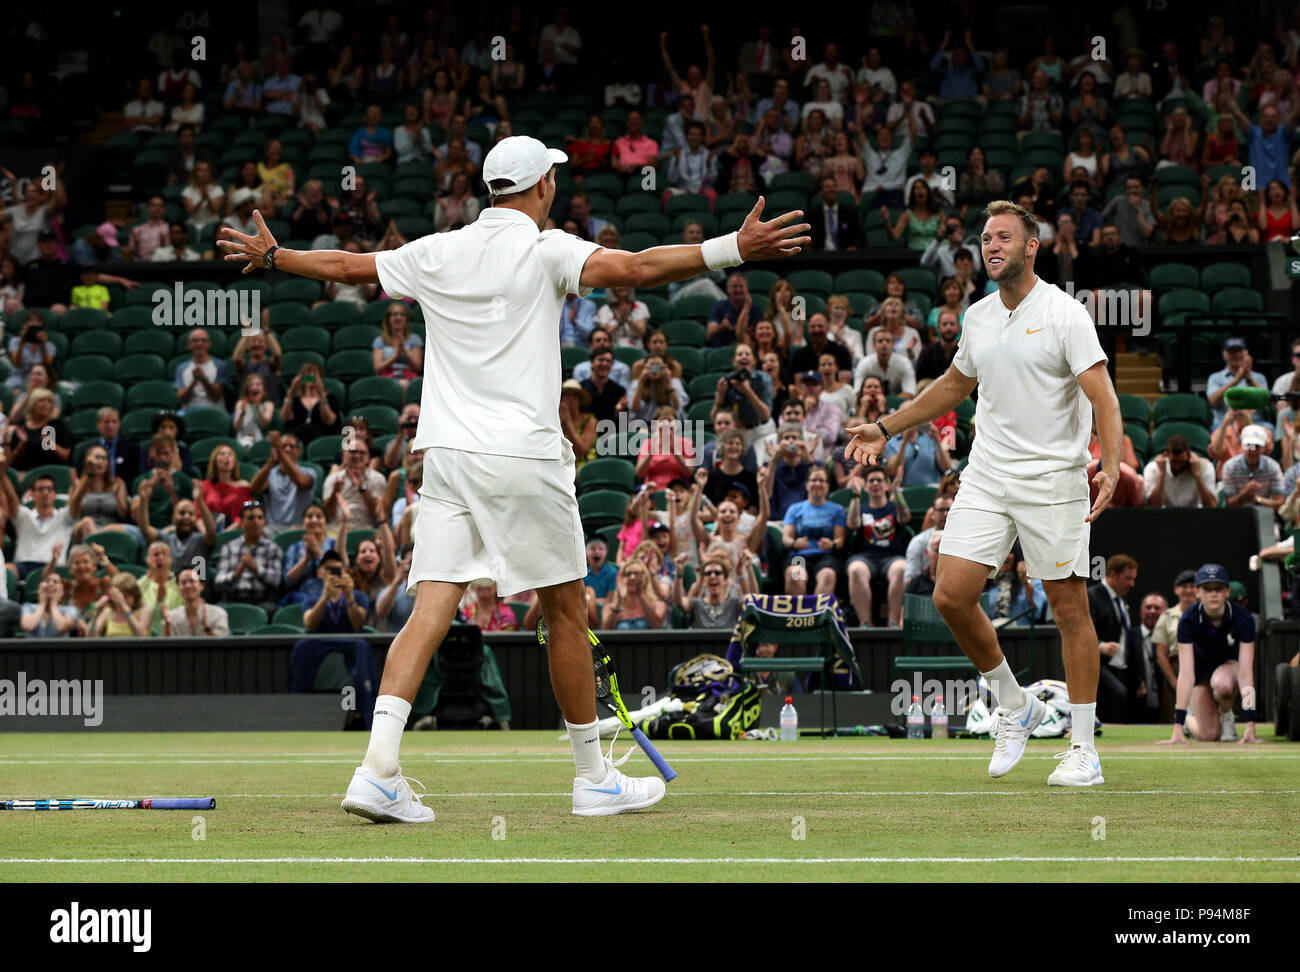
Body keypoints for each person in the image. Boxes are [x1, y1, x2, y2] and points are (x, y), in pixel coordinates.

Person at [217, 133, 808, 821]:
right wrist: (734, 247)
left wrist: (276, 256)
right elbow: (640, 268)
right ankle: (592, 778)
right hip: (523, 456)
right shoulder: (548, 247)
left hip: (446, 459)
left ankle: (377, 768)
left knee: (432, 606)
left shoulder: (438, 249)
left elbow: (348, 264)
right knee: (563, 611)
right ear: (543, 186)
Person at [845, 198, 1121, 788]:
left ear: (1030, 247)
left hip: (1054, 479)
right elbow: (953, 384)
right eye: (985, 238)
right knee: (950, 594)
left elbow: (1104, 398)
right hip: (988, 475)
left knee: (1070, 608)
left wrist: (1112, 466)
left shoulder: (1066, 313)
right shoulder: (976, 316)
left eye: (1002, 237)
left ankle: (1082, 749)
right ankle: (1016, 706)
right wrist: (887, 426)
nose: (990, 245)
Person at [1161, 564, 1259, 745]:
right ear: (1198, 592)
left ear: (1227, 591)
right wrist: (1177, 723)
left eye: (1218, 589)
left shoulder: (1244, 619)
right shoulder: (1188, 620)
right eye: (1207, 589)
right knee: (1209, 735)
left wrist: (1250, 722)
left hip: (1228, 669)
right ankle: (1189, 720)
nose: (1213, 594)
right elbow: (1186, 673)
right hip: (1199, 673)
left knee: (1223, 684)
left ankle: (1227, 715)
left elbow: (1246, 672)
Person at [845, 464, 911, 626]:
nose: (875, 484)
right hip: (866, 557)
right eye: (871, 481)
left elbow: (905, 518)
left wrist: (896, 493)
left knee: (902, 569)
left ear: (886, 485)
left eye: (880, 480)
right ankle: (865, 622)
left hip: (892, 557)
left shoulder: (894, 508)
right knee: (855, 570)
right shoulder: (862, 508)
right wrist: (855, 496)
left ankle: (893, 622)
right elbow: (852, 524)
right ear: (866, 486)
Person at [213, 500, 283, 616]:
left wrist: (256, 568)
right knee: (217, 611)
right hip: (233, 599)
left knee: (273, 610)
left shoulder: (273, 548)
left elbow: (276, 581)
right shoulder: (229, 548)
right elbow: (218, 582)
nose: (256, 521)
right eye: (251, 518)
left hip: (262, 600)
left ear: (264, 522)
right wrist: (236, 574)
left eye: (260, 518)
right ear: (241, 523)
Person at [1143, 433, 1217, 508]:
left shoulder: (1205, 467)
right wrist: (1162, 473)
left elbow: (1211, 505)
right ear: (1167, 454)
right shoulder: (1153, 468)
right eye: (1174, 462)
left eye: (1182, 462)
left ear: (1189, 456)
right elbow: (1153, 506)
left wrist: (1197, 474)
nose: (1178, 467)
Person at [304, 549, 369, 633]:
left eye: (336, 569)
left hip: (351, 641)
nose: (332, 572)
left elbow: (358, 625)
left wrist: (349, 596)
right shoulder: (311, 598)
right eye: (328, 568)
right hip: (320, 642)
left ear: (343, 572)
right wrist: (325, 597)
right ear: (319, 573)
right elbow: (309, 625)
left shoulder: (359, 595)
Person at [673, 551, 742, 629]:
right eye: (708, 573)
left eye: (717, 572)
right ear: (703, 581)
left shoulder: (734, 604)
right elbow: (679, 602)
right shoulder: (696, 604)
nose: (712, 576)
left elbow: (752, 601)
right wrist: (679, 573)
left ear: (725, 580)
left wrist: (747, 569)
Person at [162, 567, 230, 637]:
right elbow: (166, 646)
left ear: (201, 585)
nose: (188, 586)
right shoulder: (172, 617)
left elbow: (223, 645)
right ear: (178, 588)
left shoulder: (218, 614)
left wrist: (206, 626)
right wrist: (167, 625)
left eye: (192, 581)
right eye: (183, 582)